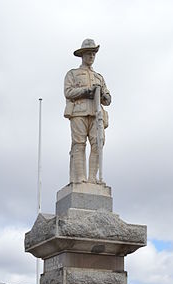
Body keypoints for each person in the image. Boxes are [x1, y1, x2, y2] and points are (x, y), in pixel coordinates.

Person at [64, 39, 111, 184]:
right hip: (79, 112)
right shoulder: (72, 74)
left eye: (93, 54)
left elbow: (108, 99)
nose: (91, 56)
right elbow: (68, 92)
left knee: (98, 143)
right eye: (89, 53)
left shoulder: (99, 77)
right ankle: (80, 178)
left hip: (97, 114)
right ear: (82, 55)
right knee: (79, 144)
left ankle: (92, 178)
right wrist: (86, 91)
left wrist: (102, 94)